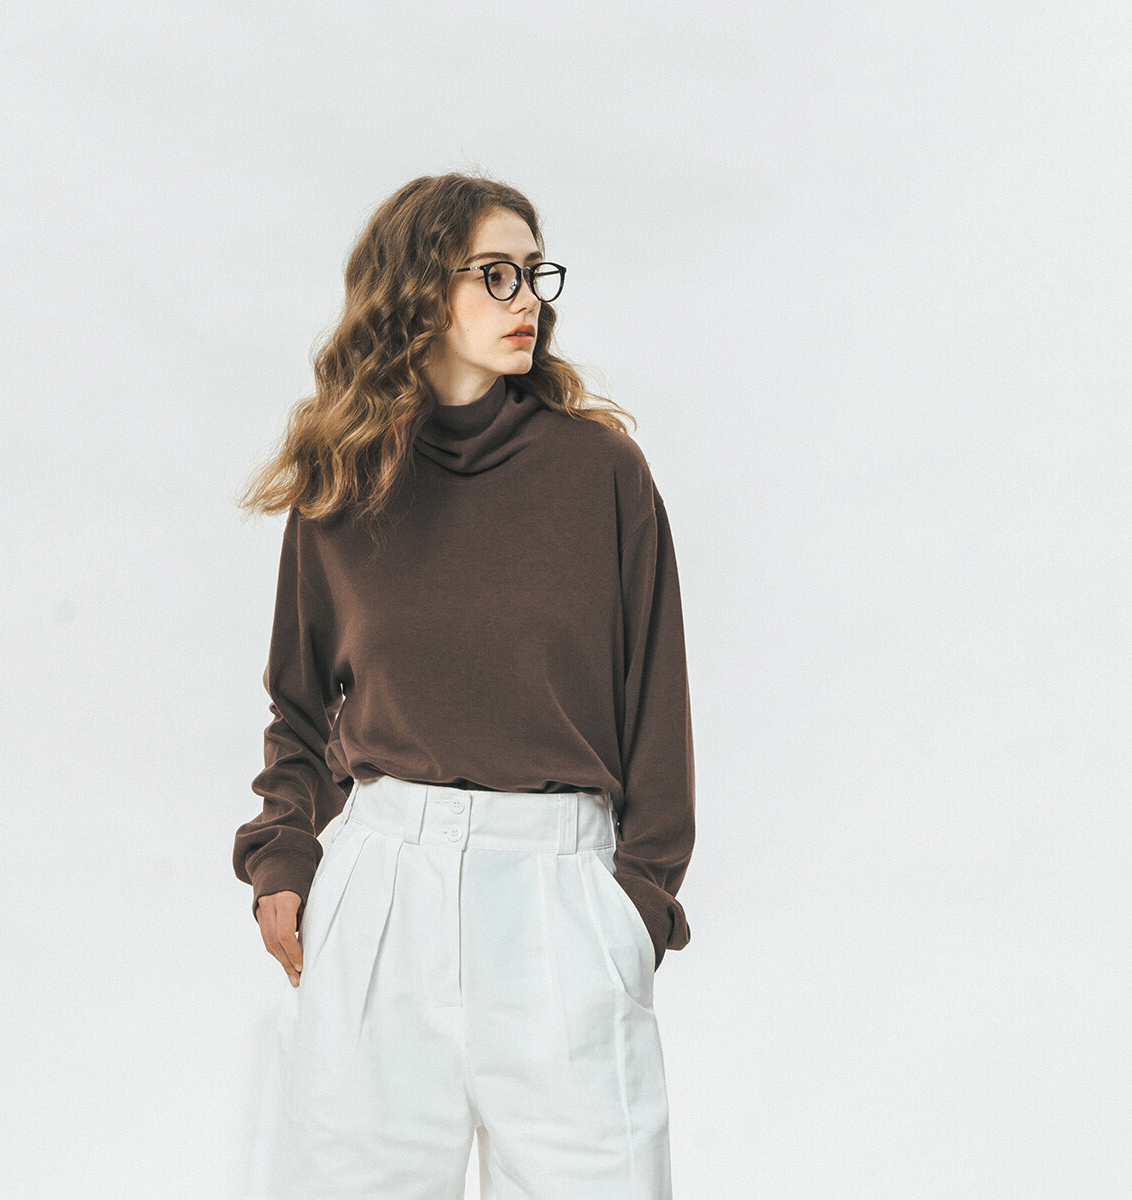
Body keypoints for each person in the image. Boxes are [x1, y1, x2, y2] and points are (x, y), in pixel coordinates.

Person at [231, 171, 695, 1200]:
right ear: (418, 290)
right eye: (495, 274)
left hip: (562, 900)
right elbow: (300, 709)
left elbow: (657, 705)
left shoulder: (601, 474)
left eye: (533, 272)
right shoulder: (345, 481)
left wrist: (641, 909)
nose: (526, 298)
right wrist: (282, 859)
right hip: (382, 895)